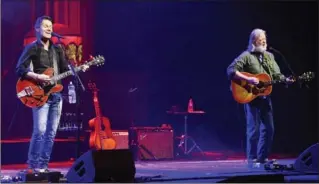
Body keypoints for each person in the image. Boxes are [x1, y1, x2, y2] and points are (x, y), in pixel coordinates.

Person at [16, 15, 88, 173]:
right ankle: (32, 165)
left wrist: (78, 69)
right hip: (39, 95)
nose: (49, 29)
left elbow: (63, 71)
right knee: (40, 131)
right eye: (45, 26)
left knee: (50, 133)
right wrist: (37, 76)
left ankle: (43, 166)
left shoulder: (57, 49)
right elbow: (19, 69)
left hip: (56, 95)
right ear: (37, 29)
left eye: (51, 26)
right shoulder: (32, 48)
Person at [226, 28, 294, 166]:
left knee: (269, 128)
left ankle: (262, 158)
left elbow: (276, 75)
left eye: (265, 39)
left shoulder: (270, 56)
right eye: (260, 40)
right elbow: (231, 70)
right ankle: (252, 159)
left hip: (264, 96)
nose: (264, 42)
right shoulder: (246, 56)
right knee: (253, 129)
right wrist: (248, 79)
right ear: (254, 41)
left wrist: (285, 79)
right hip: (250, 96)